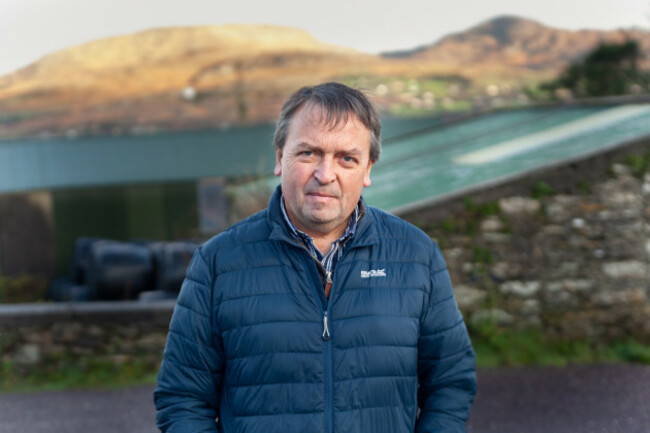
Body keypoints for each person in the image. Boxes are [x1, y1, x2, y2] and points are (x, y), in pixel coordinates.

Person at [154, 82, 477, 432]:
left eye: (346, 158)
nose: (325, 175)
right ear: (280, 157)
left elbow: (450, 381)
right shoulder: (218, 263)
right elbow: (183, 399)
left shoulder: (416, 257)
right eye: (309, 153)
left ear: (368, 169)